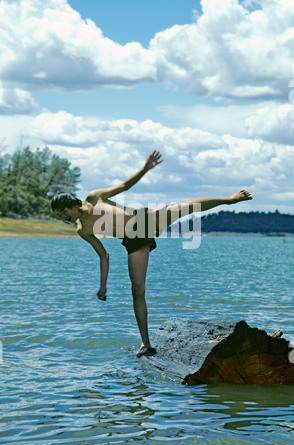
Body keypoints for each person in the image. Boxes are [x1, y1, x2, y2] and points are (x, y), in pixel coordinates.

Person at [51, 150, 253, 357]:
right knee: (137, 290)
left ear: (72, 204)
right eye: (59, 216)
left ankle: (229, 199)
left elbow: (124, 186)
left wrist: (145, 168)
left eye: (63, 212)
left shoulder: (94, 197)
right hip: (135, 240)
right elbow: (104, 255)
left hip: (145, 220)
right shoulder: (82, 230)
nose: (64, 217)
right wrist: (103, 285)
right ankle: (146, 344)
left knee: (188, 207)